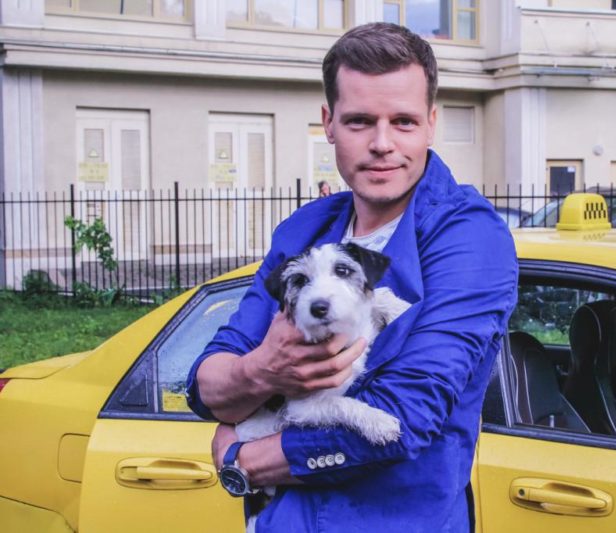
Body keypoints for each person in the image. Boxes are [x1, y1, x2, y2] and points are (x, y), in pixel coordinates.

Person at [185, 22, 517, 533]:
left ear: (431, 123)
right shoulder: (306, 230)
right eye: (360, 121)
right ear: (329, 123)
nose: (382, 144)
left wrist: (242, 459)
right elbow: (207, 383)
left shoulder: (468, 236)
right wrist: (261, 373)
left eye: (403, 122)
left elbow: (404, 418)